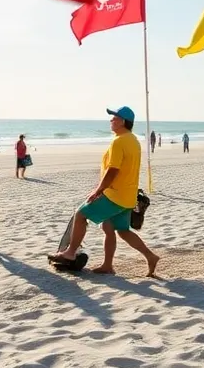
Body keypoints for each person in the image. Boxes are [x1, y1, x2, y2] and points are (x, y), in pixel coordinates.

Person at [51, 106, 159, 276]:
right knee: (115, 229)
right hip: (128, 196)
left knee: (81, 214)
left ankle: (70, 253)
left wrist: (98, 190)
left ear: (123, 121)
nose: (111, 120)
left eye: (114, 118)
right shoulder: (133, 140)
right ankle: (142, 258)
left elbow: (113, 170)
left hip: (115, 195)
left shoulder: (119, 141)